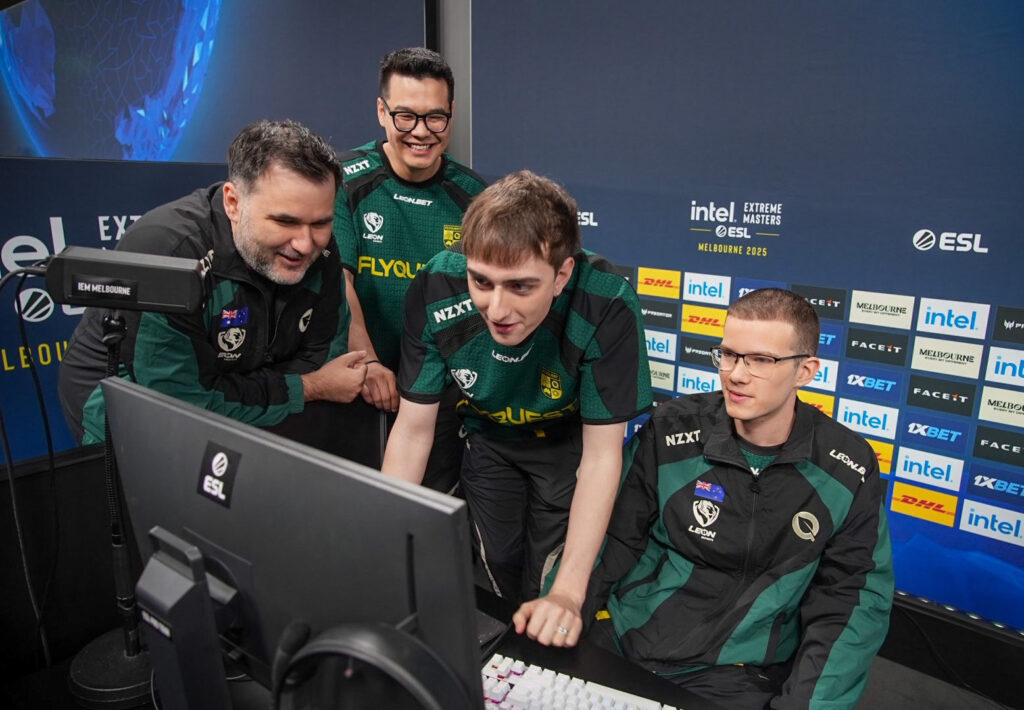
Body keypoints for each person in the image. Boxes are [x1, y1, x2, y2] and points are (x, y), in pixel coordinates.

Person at [583, 288, 894, 709]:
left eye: (761, 360)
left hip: (736, 674)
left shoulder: (847, 465)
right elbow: (608, 539)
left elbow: (852, 601)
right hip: (623, 640)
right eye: (728, 355)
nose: (735, 375)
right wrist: (565, 619)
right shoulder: (671, 428)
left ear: (805, 371)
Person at [381, 170, 652, 647]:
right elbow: (413, 430)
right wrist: (380, 538)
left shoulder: (606, 302)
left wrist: (567, 594)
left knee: (549, 586)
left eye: (521, 287)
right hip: (488, 439)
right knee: (496, 574)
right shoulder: (438, 283)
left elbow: (602, 455)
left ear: (562, 275)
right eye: (481, 281)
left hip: (567, 450)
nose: (497, 308)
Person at [59, 119, 366, 445]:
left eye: (320, 223)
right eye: (284, 221)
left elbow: (322, 355)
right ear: (233, 203)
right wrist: (307, 387)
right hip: (127, 411)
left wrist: (241, 388)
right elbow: (181, 401)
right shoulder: (168, 251)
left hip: (245, 406)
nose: (305, 244)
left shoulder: (321, 247)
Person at [333, 47, 487, 488]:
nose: (421, 132)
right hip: (362, 384)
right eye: (405, 117)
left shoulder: (476, 196)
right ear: (381, 112)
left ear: (451, 115)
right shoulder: (342, 180)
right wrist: (368, 362)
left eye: (435, 117)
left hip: (443, 399)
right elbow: (339, 282)